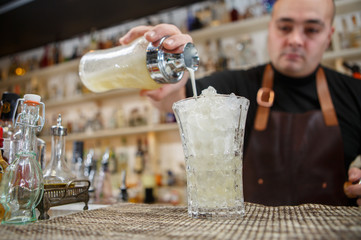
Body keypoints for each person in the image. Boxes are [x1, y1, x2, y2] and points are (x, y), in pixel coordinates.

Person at [120, 0, 361, 206]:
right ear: (271, 28)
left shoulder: (355, 93)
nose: (295, 39)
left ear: (329, 35)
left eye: (311, 30)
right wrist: (165, 72)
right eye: (285, 27)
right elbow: (172, 98)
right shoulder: (237, 86)